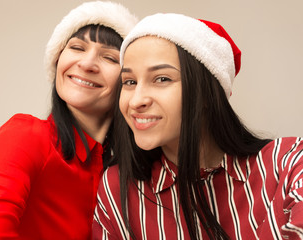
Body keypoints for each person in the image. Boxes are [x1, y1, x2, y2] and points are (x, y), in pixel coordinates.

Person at [93, 13, 303, 239]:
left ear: (205, 92)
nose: (136, 101)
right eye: (130, 82)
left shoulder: (288, 163)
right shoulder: (117, 189)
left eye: (162, 79)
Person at [0, 1, 137, 239]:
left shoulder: (123, 175)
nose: (87, 64)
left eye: (109, 57)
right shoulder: (27, 135)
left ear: (128, 82)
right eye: (77, 48)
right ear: (57, 60)